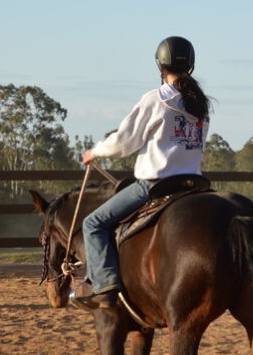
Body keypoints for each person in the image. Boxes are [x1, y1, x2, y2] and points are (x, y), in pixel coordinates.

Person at [74, 36, 211, 310]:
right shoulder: (200, 103)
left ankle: (104, 286)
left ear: (160, 65)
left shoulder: (156, 99)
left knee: (93, 224)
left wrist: (96, 152)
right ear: (191, 65)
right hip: (194, 184)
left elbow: (125, 143)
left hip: (155, 184)